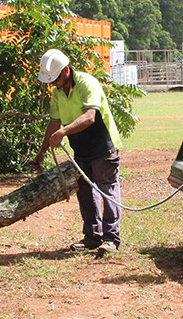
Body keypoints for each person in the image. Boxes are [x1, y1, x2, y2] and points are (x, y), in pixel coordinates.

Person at [33, 49, 122, 255]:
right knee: (84, 191)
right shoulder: (57, 92)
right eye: (50, 81)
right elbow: (54, 122)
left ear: (66, 71)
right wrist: (42, 152)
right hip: (80, 148)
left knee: (106, 190)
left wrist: (63, 132)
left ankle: (111, 239)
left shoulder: (86, 83)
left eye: (55, 79)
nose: (52, 84)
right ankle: (92, 237)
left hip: (102, 144)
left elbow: (90, 117)